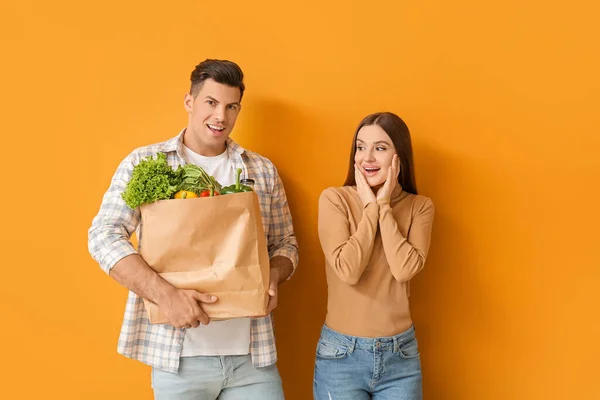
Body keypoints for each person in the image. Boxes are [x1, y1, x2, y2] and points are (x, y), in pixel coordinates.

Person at [88, 59, 299, 399]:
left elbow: (285, 244)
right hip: (178, 359)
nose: (221, 117)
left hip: (252, 359)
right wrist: (167, 297)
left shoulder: (261, 170)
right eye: (211, 103)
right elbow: (103, 236)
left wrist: (274, 275)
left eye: (231, 107)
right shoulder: (146, 163)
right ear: (190, 102)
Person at [313, 112, 434, 399]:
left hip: (400, 357)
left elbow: (404, 269)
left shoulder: (420, 207)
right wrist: (370, 209)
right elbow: (348, 270)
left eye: (380, 148)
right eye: (360, 147)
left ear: (398, 157)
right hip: (341, 355)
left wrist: (384, 206)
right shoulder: (335, 199)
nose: (367, 158)